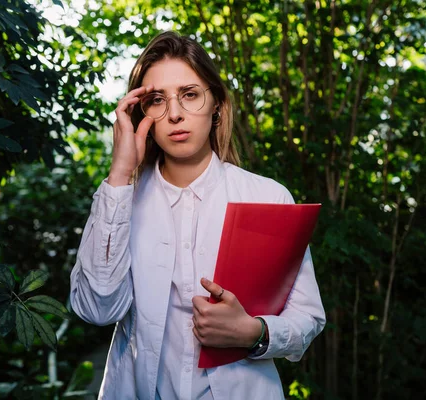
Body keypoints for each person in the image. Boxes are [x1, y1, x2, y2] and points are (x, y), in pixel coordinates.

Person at [69, 31, 326, 400]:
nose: (175, 114)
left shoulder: (269, 197)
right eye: (157, 100)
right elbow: (97, 308)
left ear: (217, 103)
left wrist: (254, 332)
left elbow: (308, 317)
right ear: (142, 114)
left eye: (190, 94)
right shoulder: (118, 198)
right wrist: (121, 173)